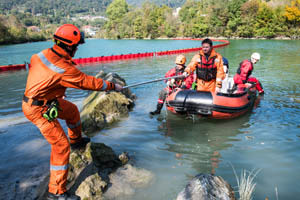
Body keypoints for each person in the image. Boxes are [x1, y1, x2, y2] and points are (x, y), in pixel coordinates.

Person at [22, 24, 123, 200]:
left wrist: (54, 91)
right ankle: (56, 191)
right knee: (60, 145)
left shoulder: (43, 54)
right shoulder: (63, 68)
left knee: (72, 111)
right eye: (76, 45)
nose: (77, 48)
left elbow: (43, 76)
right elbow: (87, 82)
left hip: (47, 102)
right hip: (37, 109)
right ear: (69, 45)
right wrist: (113, 86)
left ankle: (76, 141)